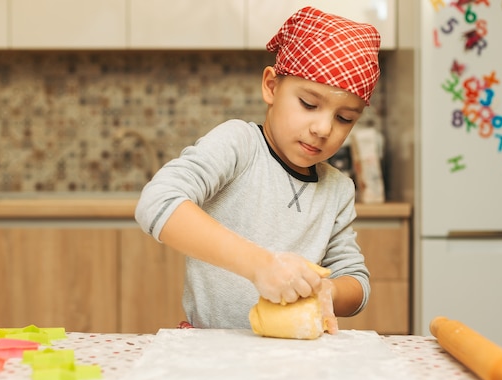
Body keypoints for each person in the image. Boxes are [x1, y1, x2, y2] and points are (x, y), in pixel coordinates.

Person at [135, 6, 380, 332]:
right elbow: (158, 201)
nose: (323, 128)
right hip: (212, 350)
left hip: (295, 357)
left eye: (344, 118)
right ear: (271, 87)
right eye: (309, 104)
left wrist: (327, 290)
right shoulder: (239, 146)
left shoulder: (337, 189)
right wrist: (262, 266)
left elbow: (357, 282)